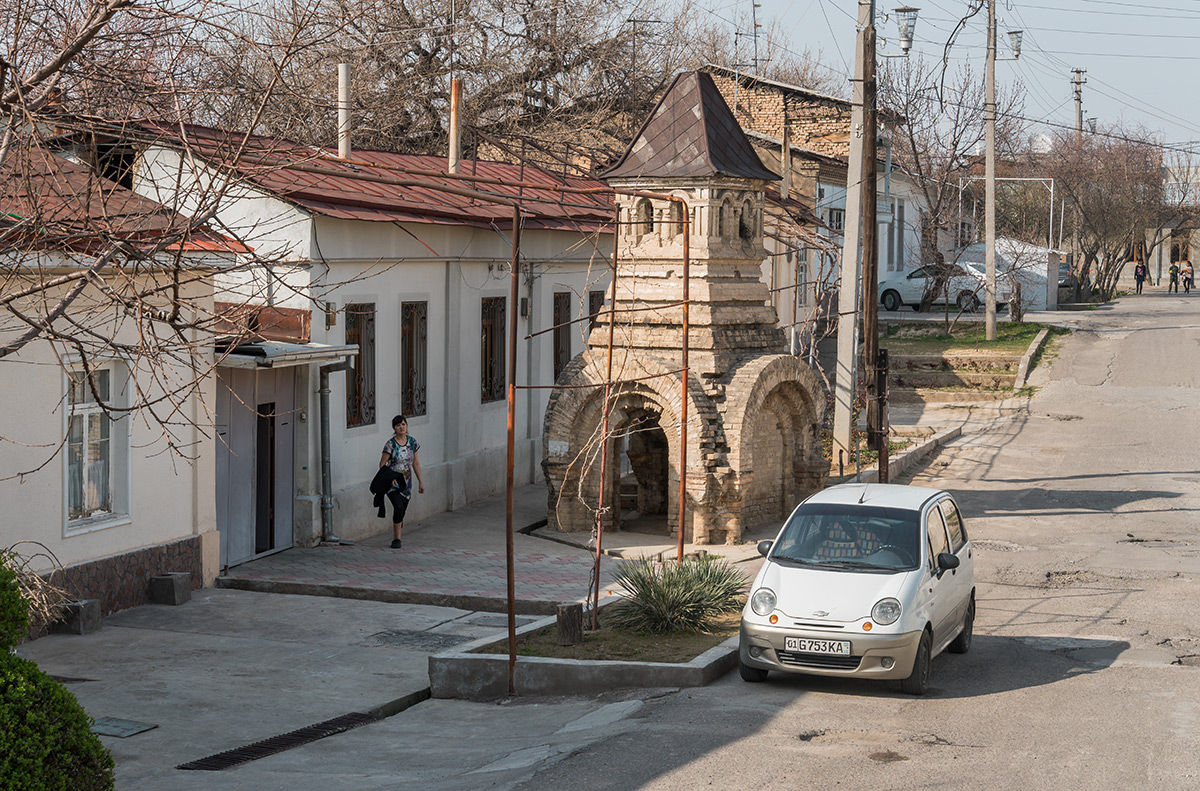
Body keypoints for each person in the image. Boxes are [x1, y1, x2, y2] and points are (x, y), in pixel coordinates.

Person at [379, 414, 424, 549]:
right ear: (394, 428)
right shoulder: (390, 444)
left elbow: (415, 463)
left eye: (403, 424)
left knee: (402, 508)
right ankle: (397, 539)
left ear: (407, 426)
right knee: (398, 507)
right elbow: (382, 464)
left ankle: (399, 521)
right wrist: (390, 478)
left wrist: (420, 481)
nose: (401, 427)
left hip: (406, 481)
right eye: (398, 425)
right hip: (393, 482)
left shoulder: (412, 442)